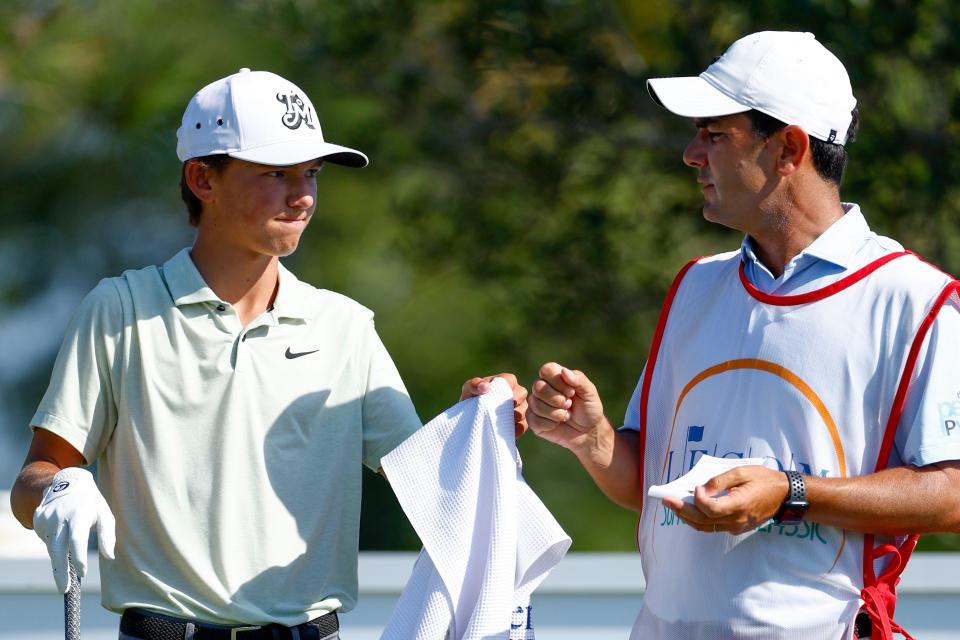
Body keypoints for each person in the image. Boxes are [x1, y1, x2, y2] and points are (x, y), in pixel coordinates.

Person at [10, 68, 527, 640]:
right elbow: (36, 478)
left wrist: (474, 419)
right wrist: (57, 489)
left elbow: (431, 482)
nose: (303, 195)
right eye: (276, 173)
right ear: (203, 179)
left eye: (310, 173)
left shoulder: (345, 326)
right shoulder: (120, 311)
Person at [527, 31, 960, 640]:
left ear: (789, 148)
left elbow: (954, 493)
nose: (690, 154)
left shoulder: (913, 299)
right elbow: (645, 487)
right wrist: (593, 440)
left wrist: (790, 492)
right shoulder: (695, 287)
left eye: (715, 134)